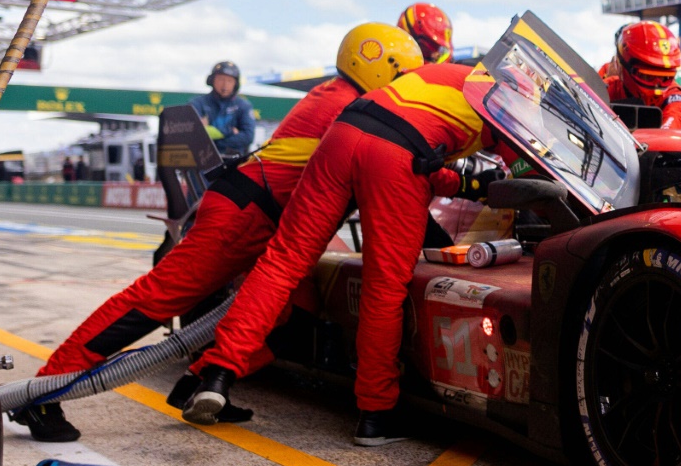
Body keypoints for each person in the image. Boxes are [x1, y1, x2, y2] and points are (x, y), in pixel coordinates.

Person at [12, 24, 425, 443]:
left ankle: (202, 384)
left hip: (265, 218)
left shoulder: (339, 97)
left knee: (297, 318)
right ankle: (45, 391)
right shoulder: (355, 107)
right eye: (403, 76)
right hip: (245, 214)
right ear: (381, 67)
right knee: (152, 302)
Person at [179, 59, 502, 444]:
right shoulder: (511, 102)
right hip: (394, 157)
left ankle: (216, 374)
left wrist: (462, 184)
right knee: (384, 287)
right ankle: (376, 414)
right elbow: (415, 153)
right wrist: (484, 184)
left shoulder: (445, 74)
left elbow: (411, 142)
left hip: (344, 133)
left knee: (282, 261)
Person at [599, 20, 681, 128]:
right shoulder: (604, 90)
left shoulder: (674, 96)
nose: (657, 86)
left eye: (665, 77)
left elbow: (671, 127)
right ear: (622, 65)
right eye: (648, 76)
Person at [191, 61, 255, 157]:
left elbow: (247, 136)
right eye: (221, 79)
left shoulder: (243, 106)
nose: (225, 85)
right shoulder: (197, 103)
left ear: (236, 84)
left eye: (230, 81)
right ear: (212, 80)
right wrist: (230, 131)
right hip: (203, 160)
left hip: (233, 163)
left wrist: (214, 142)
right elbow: (193, 133)